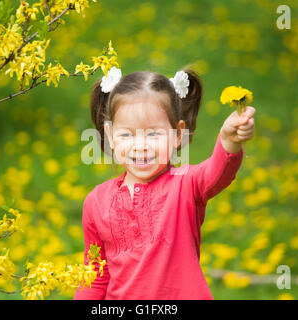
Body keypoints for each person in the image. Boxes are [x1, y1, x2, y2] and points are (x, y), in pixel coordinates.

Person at [73, 66, 256, 299]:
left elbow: (218, 172)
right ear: (110, 136)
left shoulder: (186, 185)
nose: (140, 145)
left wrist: (229, 140)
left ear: (178, 134)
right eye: (127, 134)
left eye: (153, 134)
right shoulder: (96, 202)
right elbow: (95, 277)